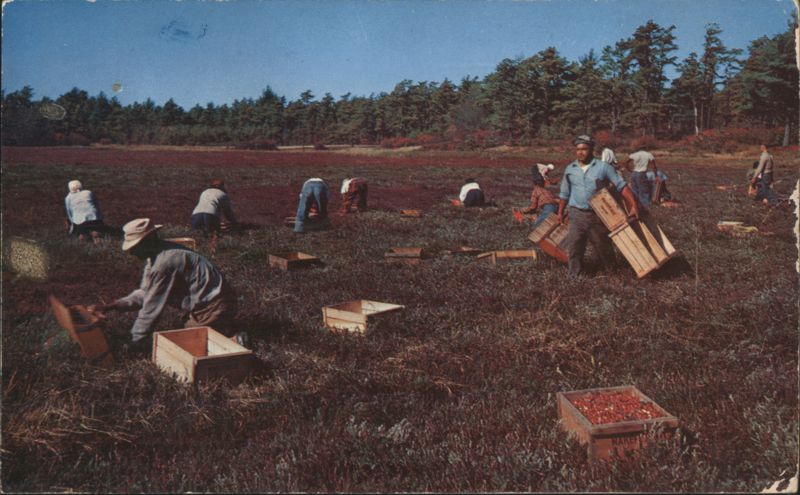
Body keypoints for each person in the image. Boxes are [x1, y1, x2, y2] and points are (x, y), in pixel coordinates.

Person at [91, 218, 243, 351]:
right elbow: (145, 294)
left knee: (191, 343)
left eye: (135, 247)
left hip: (215, 305)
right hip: (208, 303)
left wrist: (135, 342)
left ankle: (235, 339)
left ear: (149, 240)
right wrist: (110, 306)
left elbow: (151, 308)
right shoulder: (156, 256)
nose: (132, 252)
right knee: (187, 334)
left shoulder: (165, 262)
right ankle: (222, 329)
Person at [558, 135, 639, 277]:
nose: (580, 152)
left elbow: (622, 186)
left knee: (603, 246)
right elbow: (564, 193)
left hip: (597, 214)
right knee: (575, 247)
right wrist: (560, 212)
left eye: (584, 149)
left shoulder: (603, 167)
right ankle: (574, 276)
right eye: (578, 149)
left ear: (592, 150)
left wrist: (634, 206)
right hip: (576, 214)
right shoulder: (570, 169)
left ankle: (612, 274)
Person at [64, 180, 109, 244]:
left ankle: (83, 235)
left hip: (80, 222)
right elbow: (96, 205)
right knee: (96, 231)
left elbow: (69, 213)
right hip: (96, 220)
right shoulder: (88, 192)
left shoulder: (68, 198)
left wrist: (72, 225)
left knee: (81, 234)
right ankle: (95, 234)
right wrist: (100, 218)